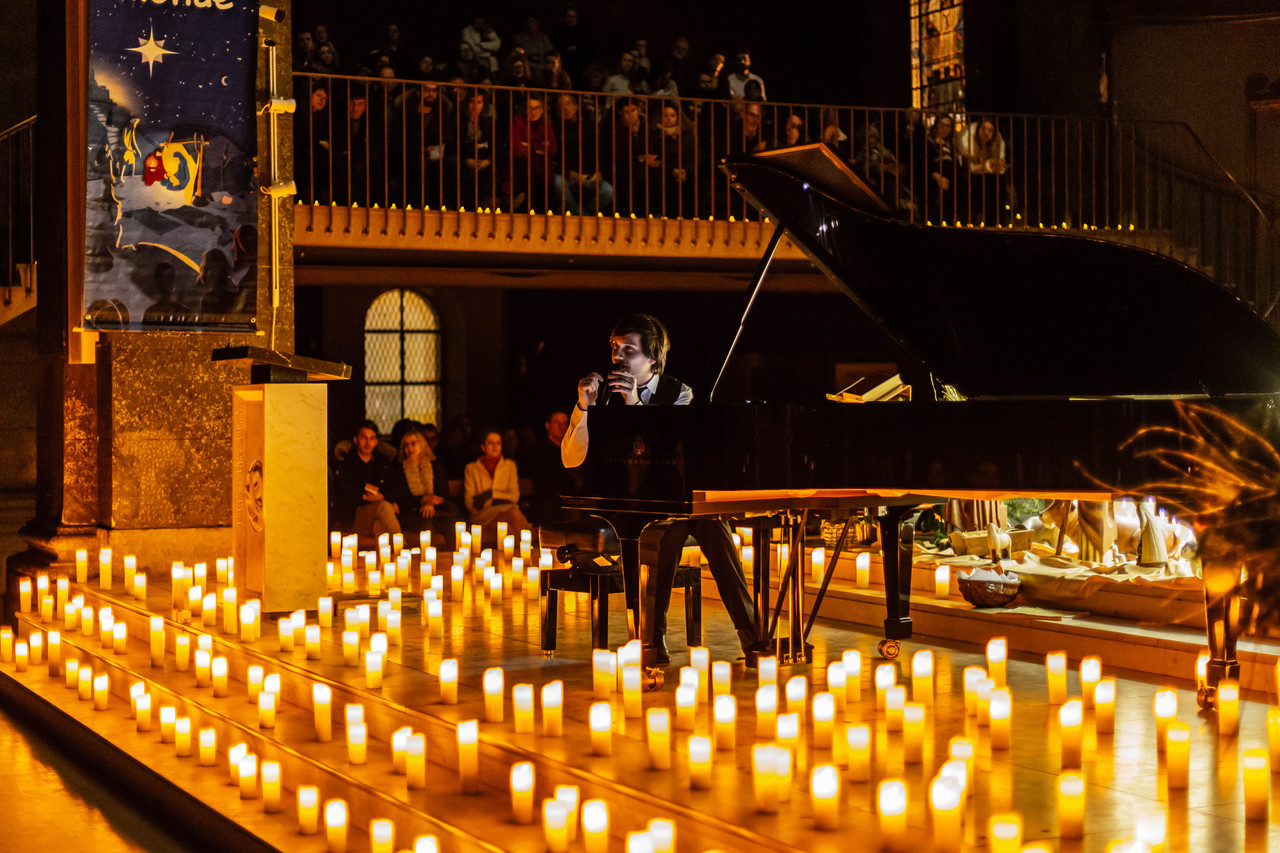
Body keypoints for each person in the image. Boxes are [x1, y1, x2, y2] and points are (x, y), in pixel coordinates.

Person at [562, 314, 757, 663]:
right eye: (615, 348)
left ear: (652, 358)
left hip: (675, 495)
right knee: (662, 531)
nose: (617, 358)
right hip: (623, 499)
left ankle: (751, 635)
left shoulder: (678, 392)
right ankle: (652, 642)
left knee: (713, 526)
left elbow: (669, 450)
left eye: (629, 351)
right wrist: (583, 407)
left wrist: (636, 403)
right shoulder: (598, 394)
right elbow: (571, 459)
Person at [333, 420, 402, 541]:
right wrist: (372, 498)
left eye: (371, 438)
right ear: (355, 440)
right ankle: (402, 550)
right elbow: (347, 494)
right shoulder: (347, 464)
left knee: (378, 525)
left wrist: (383, 497)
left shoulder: (382, 463)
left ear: (376, 442)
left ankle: (388, 558)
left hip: (379, 513)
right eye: (364, 438)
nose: (367, 442)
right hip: (356, 515)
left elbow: (394, 486)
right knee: (384, 507)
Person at [464, 430, 529, 544]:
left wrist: (490, 495)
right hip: (482, 515)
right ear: (483, 447)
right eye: (490, 443)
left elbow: (514, 497)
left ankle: (521, 551)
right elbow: (470, 503)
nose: (495, 447)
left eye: (498, 443)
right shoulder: (472, 468)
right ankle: (528, 549)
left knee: (509, 527)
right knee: (513, 512)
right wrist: (500, 499)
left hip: (506, 514)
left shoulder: (509, 466)